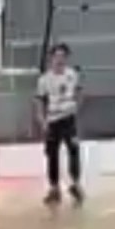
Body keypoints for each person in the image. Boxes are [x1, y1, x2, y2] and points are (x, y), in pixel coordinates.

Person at [35, 43, 85, 207]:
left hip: (68, 120)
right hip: (53, 122)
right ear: (51, 58)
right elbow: (40, 101)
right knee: (52, 155)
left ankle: (75, 184)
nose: (60, 59)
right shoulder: (44, 80)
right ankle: (54, 188)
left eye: (63, 56)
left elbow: (79, 92)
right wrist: (42, 120)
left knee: (74, 150)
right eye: (57, 56)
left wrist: (76, 107)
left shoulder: (72, 75)